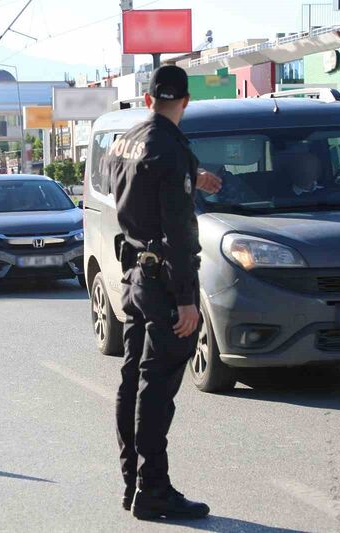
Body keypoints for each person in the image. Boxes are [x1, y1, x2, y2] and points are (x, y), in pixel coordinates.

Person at [106, 65, 222, 521]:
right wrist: (187, 299)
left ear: (149, 98)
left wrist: (195, 174)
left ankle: (132, 483)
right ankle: (153, 489)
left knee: (133, 378)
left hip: (134, 273)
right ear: (186, 101)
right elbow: (176, 228)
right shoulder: (171, 151)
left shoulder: (125, 140)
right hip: (163, 282)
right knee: (156, 387)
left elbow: (141, 188)